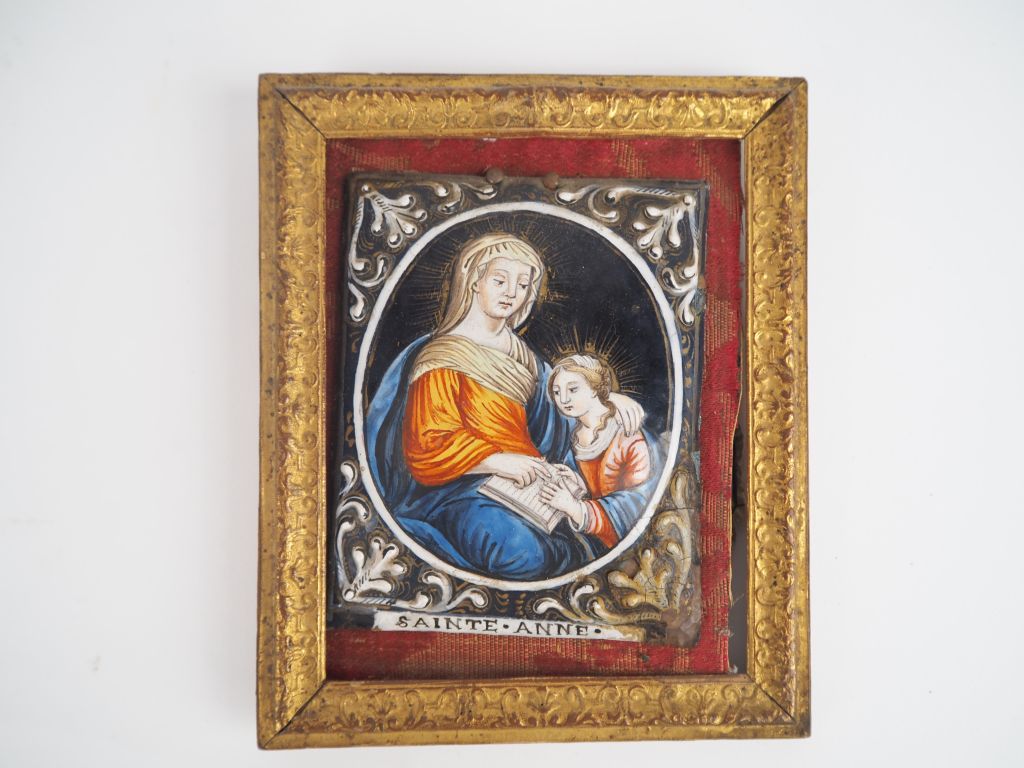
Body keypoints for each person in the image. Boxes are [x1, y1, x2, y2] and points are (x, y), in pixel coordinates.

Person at [365, 232, 659, 580]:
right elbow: (427, 446)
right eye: (500, 280)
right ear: (474, 281)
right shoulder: (442, 355)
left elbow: (562, 413)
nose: (511, 293)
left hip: (527, 486)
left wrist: (605, 401)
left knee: (584, 535)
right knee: (523, 555)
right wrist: (498, 461)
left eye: (522, 285)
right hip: (458, 491)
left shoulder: (523, 356)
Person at [539, 354, 654, 550]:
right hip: (590, 538)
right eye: (557, 392)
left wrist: (577, 509)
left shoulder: (626, 434)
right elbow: (593, 488)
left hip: (620, 543)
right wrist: (578, 482)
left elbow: (637, 502)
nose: (563, 399)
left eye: (573, 389)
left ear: (594, 389)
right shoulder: (574, 435)